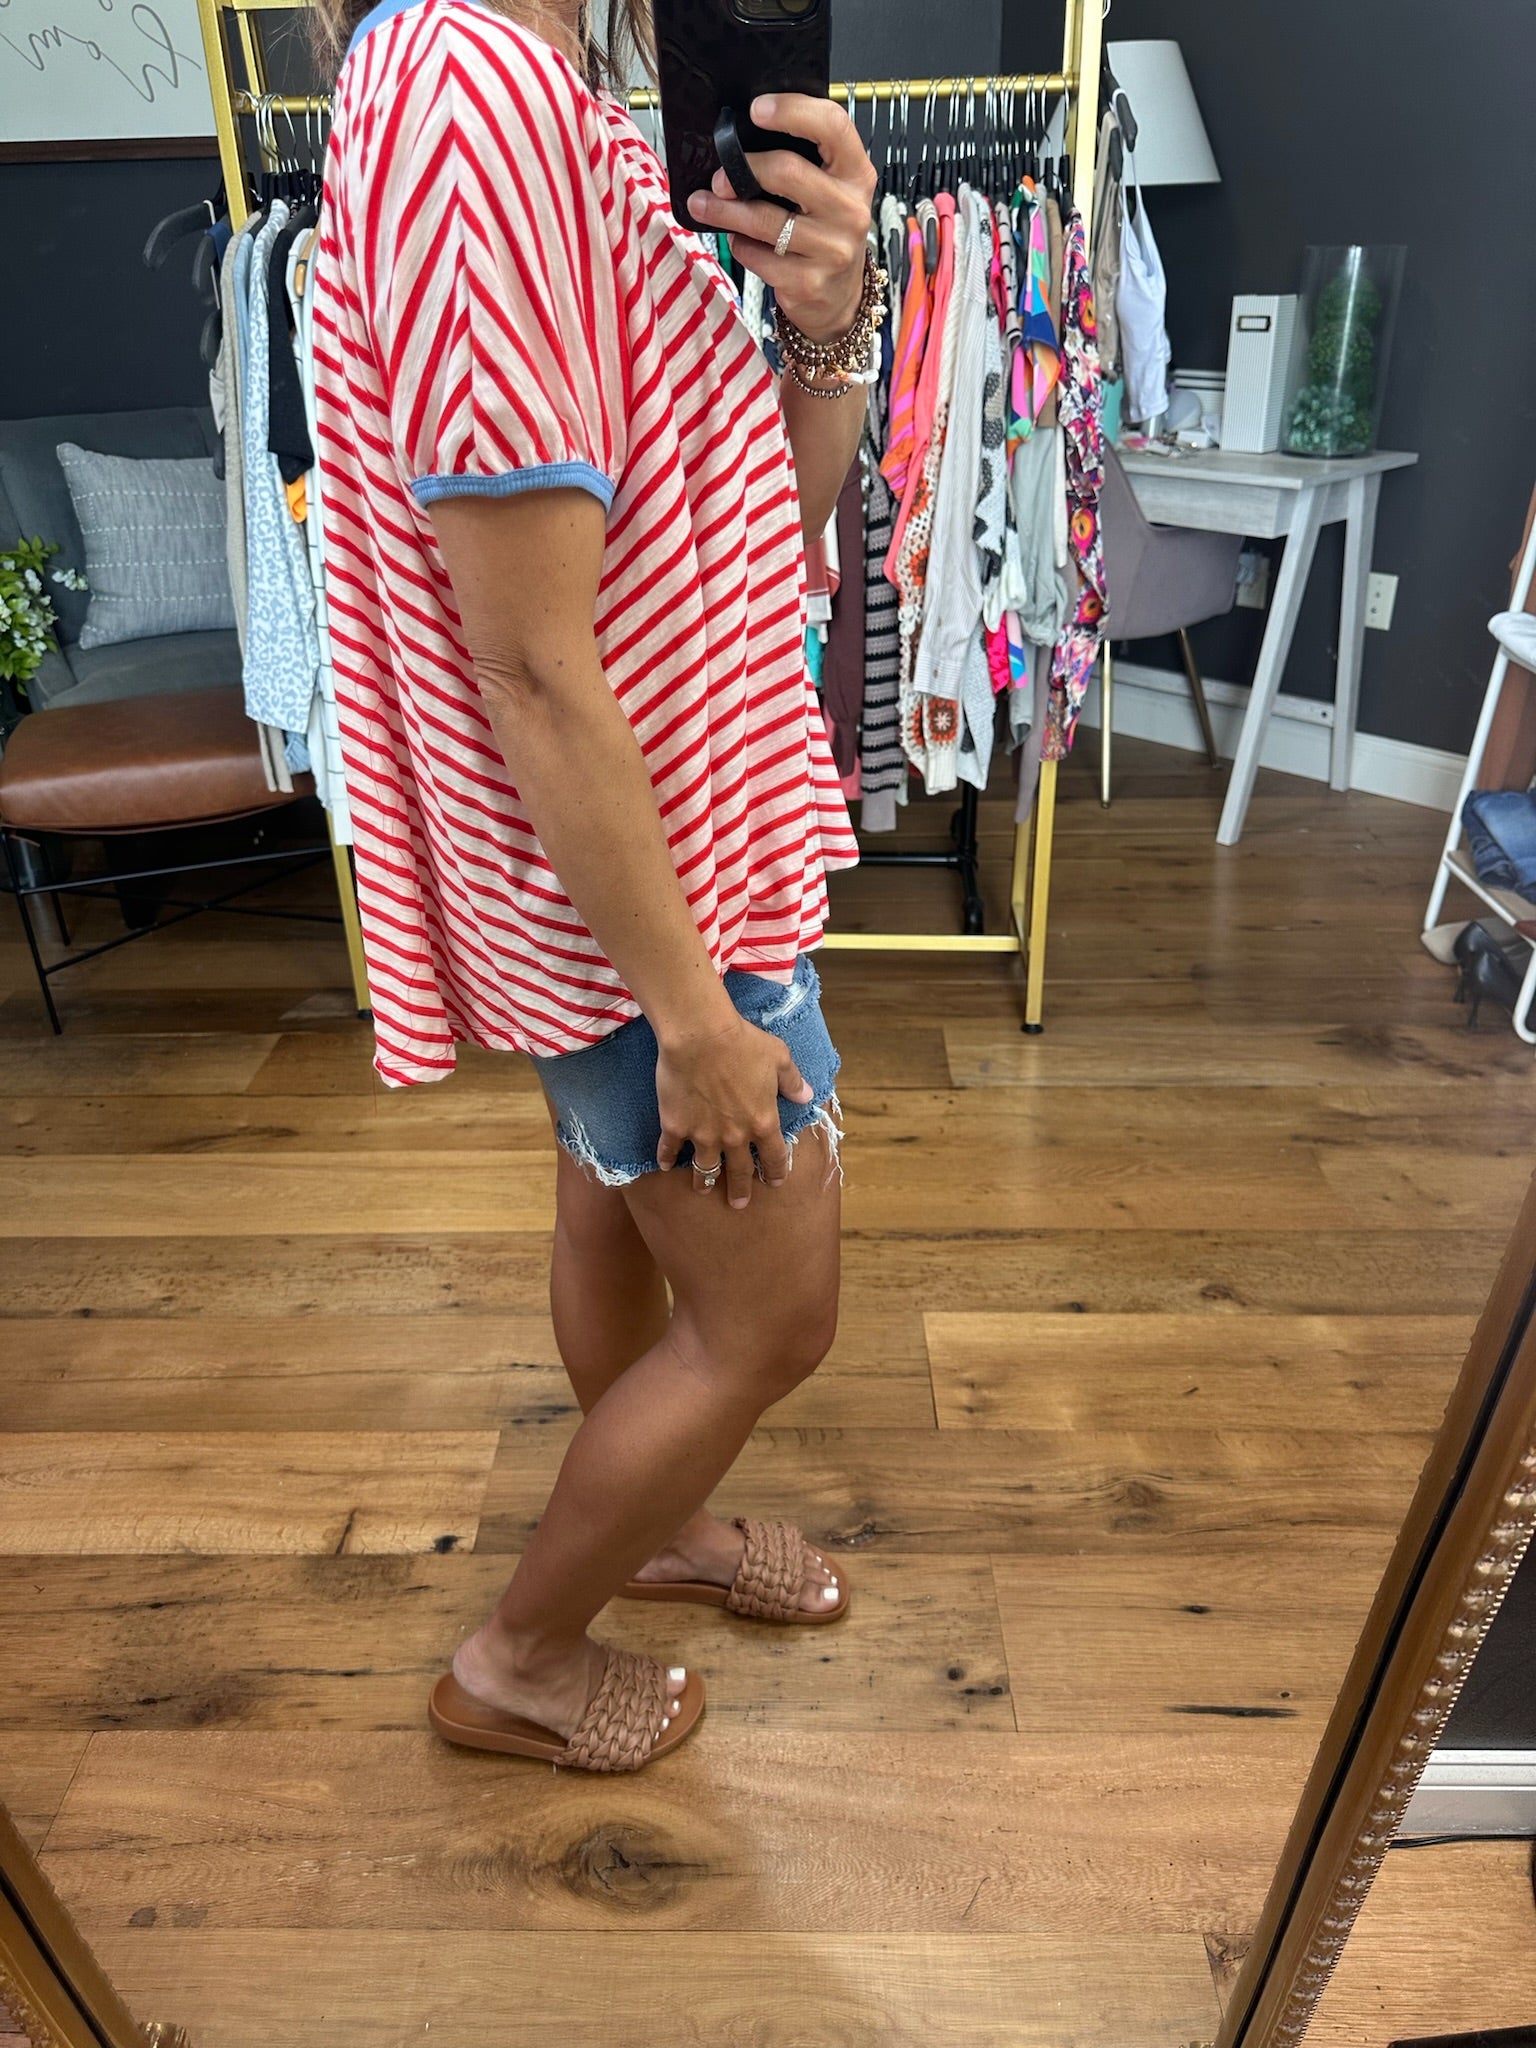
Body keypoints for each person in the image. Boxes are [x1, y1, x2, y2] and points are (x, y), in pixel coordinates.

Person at [310, 0, 881, 1771]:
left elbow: (767, 525)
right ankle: (519, 1661)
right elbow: (534, 665)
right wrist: (695, 1010)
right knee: (773, 1317)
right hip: (660, 892)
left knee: (606, 1195)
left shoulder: (561, 87)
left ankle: (666, 1538)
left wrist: (827, 331)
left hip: (665, 845)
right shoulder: (473, 85)